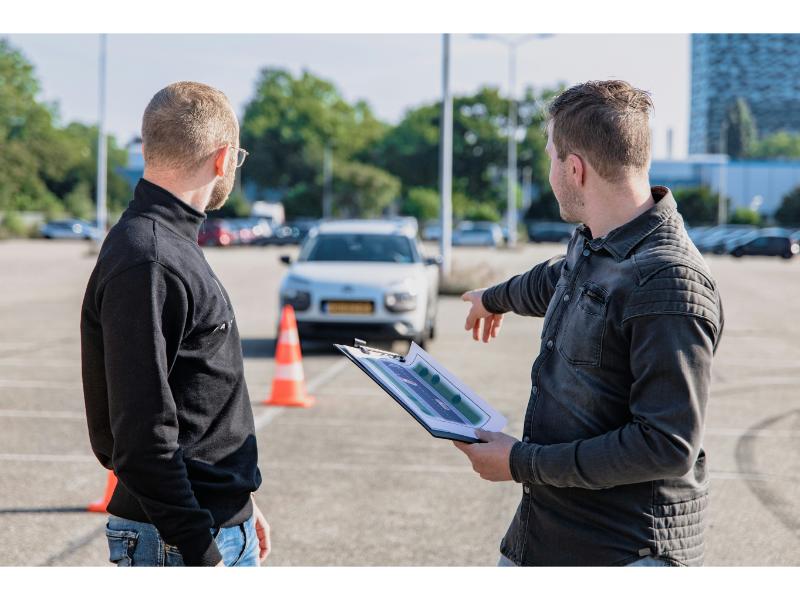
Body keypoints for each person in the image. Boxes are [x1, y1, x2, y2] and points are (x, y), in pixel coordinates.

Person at [456, 80, 724, 567]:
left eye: (551, 156)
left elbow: (666, 445)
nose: (549, 169)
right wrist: (494, 298)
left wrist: (519, 463)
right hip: (547, 538)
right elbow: (558, 277)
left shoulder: (668, 282)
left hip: (623, 555)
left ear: (574, 168)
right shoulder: (599, 242)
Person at [80, 82, 269, 567]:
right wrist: (203, 554)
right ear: (224, 158)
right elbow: (142, 438)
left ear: (148, 147)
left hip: (212, 524)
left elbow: (195, 401)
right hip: (176, 543)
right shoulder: (150, 259)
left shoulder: (168, 245)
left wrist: (241, 505)